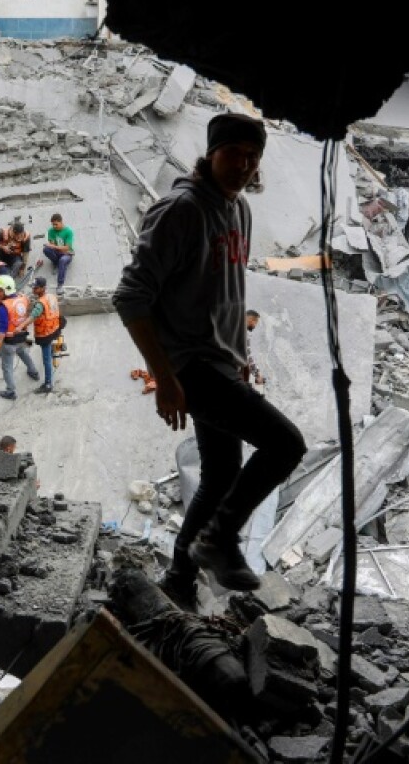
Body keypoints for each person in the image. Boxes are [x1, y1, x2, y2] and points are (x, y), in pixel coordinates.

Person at [112, 113, 306, 612]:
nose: (244, 164)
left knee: (221, 473)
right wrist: (164, 377)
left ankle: (179, 578)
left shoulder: (238, 210)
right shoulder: (181, 211)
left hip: (221, 363)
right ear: (211, 152)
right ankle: (220, 538)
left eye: (253, 156)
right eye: (234, 153)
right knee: (286, 444)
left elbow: (225, 291)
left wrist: (238, 357)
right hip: (189, 365)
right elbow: (130, 297)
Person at [0, 275, 40, 400]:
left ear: (5, 290)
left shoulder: (4, 307)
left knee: (7, 367)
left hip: (9, 342)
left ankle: (11, 391)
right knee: (24, 354)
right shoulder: (23, 299)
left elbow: (2, 330)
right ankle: (33, 372)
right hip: (22, 337)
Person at [25, 276, 62, 394]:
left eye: (35, 288)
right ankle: (53, 351)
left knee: (46, 360)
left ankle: (48, 384)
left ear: (42, 288)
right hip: (54, 329)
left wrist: (20, 327)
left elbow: (32, 316)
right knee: (49, 354)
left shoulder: (40, 303)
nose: (33, 290)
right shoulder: (51, 296)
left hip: (45, 333)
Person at [36, 213, 74, 292]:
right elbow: (52, 244)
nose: (54, 226)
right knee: (46, 250)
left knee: (63, 260)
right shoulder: (51, 231)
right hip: (57, 252)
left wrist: (54, 247)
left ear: (61, 222)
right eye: (53, 224)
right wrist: (50, 245)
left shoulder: (68, 231)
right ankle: (57, 263)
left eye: (56, 224)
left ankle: (60, 285)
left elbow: (67, 248)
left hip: (67, 253)